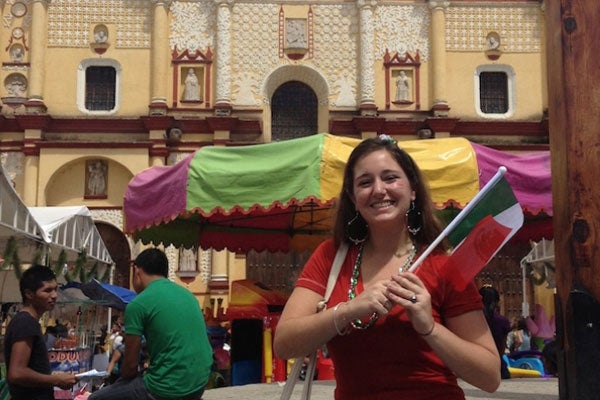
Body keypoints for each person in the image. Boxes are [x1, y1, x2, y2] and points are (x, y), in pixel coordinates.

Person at [273, 135, 501, 399]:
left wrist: (429, 327)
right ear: (352, 196)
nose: (379, 190)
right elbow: (284, 343)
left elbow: (489, 376)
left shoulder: (443, 263)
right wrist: (348, 310)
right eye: (365, 182)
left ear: (412, 189)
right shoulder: (332, 256)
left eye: (390, 178)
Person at [89, 248, 213, 400]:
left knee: (96, 398)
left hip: (166, 388)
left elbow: (130, 368)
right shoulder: (188, 296)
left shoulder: (138, 304)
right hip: (199, 383)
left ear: (137, 271)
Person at [4, 265, 79, 400]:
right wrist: (56, 380)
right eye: (47, 290)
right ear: (29, 294)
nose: (54, 295)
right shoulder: (26, 323)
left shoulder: (28, 321)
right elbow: (16, 373)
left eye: (55, 289)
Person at [479, 285, 512, 379]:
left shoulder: (472, 320)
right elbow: (502, 344)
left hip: (476, 363)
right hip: (497, 364)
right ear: (497, 302)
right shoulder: (502, 321)